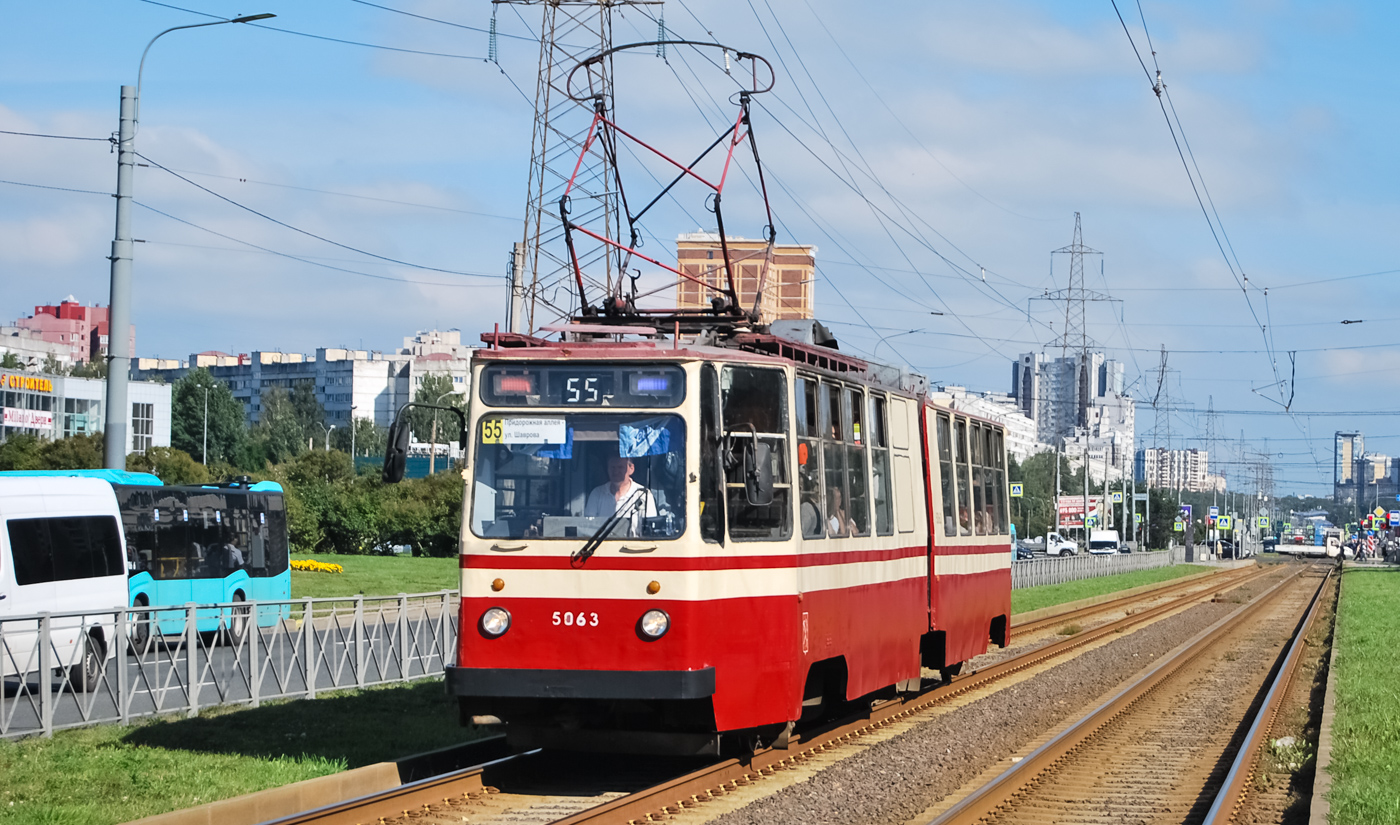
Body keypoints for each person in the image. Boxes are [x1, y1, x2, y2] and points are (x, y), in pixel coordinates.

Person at [584, 454, 657, 537]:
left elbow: (651, 529)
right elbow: (588, 527)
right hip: (601, 546)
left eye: (620, 467)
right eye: (612, 468)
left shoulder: (643, 494)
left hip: (632, 546)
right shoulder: (597, 493)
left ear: (631, 469)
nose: (615, 472)